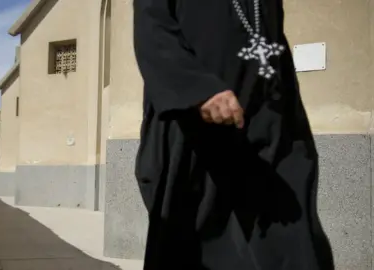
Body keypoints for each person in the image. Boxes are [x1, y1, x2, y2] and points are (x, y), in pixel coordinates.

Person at [133, 0, 334, 269]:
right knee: (195, 250)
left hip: (268, 129)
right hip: (195, 131)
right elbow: (152, 30)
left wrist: (291, 120)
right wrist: (197, 89)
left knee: (296, 246)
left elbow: (271, 39)